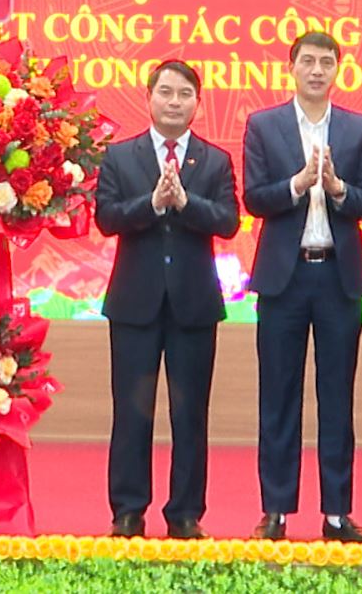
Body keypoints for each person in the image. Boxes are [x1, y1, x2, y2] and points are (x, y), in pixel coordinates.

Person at [241, 32, 362, 542]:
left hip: (337, 277)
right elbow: (254, 197)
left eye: (326, 62)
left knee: (337, 395)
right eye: (308, 61)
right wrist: (298, 184)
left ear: (338, 70)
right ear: (292, 67)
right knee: (278, 395)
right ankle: (276, 510)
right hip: (284, 278)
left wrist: (338, 188)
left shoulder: (357, 128)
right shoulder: (264, 125)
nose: (317, 70)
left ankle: (337, 513)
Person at [96, 60, 239, 540]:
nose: (174, 102)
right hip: (134, 303)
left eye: (184, 94)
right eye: (166, 92)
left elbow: (228, 221)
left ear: (197, 102)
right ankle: (128, 509)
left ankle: (185, 512)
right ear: (149, 97)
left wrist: (185, 203)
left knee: (190, 412)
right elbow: (107, 218)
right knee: (131, 411)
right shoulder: (120, 156)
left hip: (193, 305)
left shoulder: (215, 160)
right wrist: (153, 203)